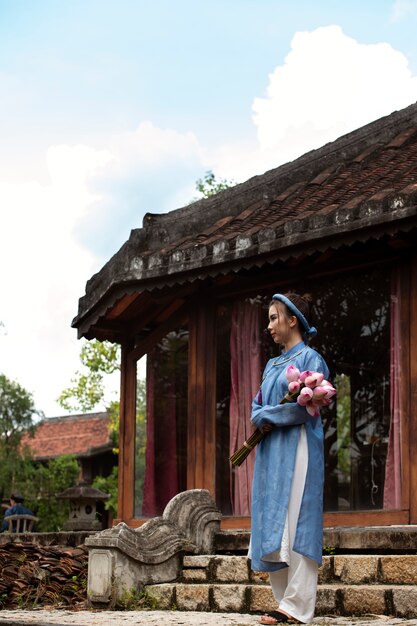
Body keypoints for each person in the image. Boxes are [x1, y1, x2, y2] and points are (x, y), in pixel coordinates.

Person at [249, 292, 330, 625]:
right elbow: (256, 407)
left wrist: (268, 415)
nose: (269, 325)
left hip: (298, 448)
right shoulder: (271, 365)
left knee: (297, 520)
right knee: (273, 520)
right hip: (270, 452)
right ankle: (283, 603)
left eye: (273, 318)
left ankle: (298, 606)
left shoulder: (312, 360)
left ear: (292, 319)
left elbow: (304, 410)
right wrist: (262, 415)